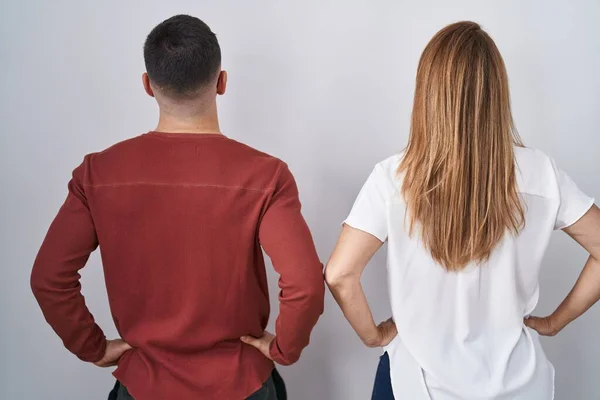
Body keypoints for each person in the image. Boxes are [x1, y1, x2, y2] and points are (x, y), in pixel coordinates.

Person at [30, 14, 324, 400]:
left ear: (148, 86)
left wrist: (94, 346)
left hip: (145, 384)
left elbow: (49, 278)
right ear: (221, 82)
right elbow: (304, 284)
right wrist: (283, 348)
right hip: (241, 382)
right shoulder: (266, 175)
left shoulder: (96, 174)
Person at [325, 21, 598, 400]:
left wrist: (374, 334)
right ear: (497, 92)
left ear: (428, 93)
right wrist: (554, 322)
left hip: (416, 384)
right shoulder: (541, 173)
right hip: (519, 385)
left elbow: (340, 274)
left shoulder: (393, 177)